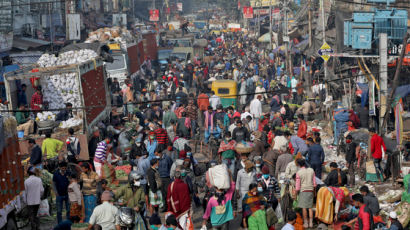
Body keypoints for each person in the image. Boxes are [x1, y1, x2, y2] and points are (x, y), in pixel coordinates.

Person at [295, 159, 316, 228]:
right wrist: (314, 191)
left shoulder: (299, 172)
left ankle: (306, 223)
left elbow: (297, 187)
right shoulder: (311, 170)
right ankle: (311, 223)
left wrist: (295, 194)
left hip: (303, 191)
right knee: (310, 207)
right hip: (310, 190)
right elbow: (314, 184)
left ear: (299, 165)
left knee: (304, 208)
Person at [155, 146, 173, 212]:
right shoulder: (157, 159)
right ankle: (165, 207)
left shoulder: (167, 158)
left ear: (160, 153)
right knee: (163, 194)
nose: (156, 156)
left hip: (167, 178)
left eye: (157, 154)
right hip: (161, 178)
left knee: (169, 193)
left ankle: (170, 207)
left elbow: (171, 166)